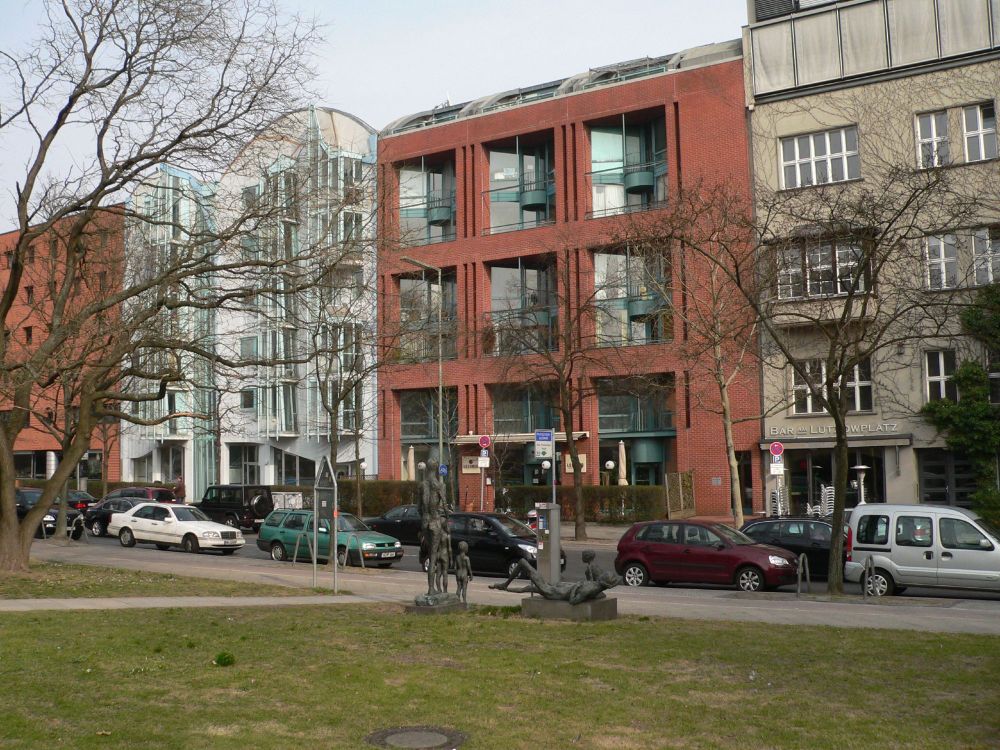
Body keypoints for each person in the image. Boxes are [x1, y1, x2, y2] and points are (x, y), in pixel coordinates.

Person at [490, 559, 620, 605]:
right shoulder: (597, 589)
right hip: (557, 588)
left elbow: (573, 601)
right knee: (529, 588)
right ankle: (503, 587)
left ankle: (504, 585)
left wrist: (576, 587)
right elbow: (600, 595)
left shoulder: (590, 589)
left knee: (523, 562)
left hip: (552, 592)